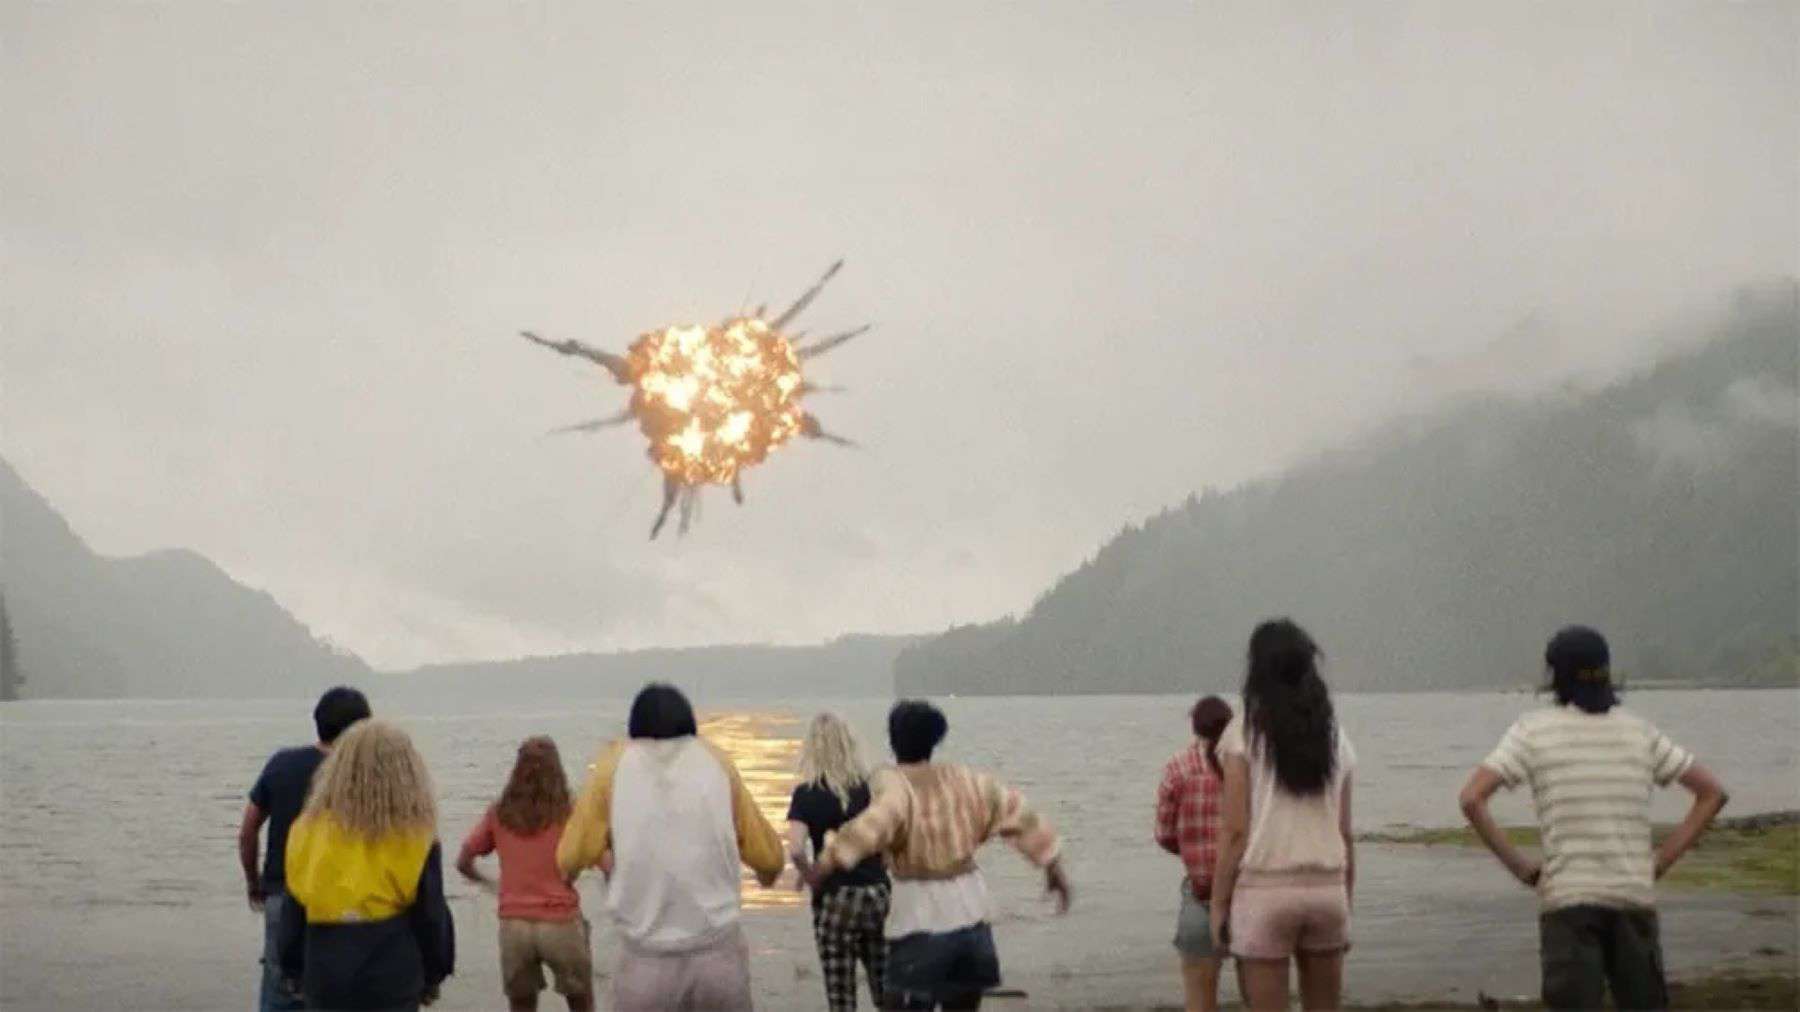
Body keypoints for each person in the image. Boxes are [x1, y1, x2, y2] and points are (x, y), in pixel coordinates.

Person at [1458, 625, 1729, 1011]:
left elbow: (1471, 799)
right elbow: (1712, 793)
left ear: (1556, 676)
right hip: (1632, 897)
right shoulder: (1639, 732)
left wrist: (1522, 868)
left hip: (1568, 901)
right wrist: (1661, 861)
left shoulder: (1531, 732)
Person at [808, 699, 1072, 1012]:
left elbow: (875, 824)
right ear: (935, 741)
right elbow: (1018, 813)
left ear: (893, 741)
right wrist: (1052, 866)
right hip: (974, 922)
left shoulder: (894, 784)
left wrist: (827, 862)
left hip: (921, 923)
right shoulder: (966, 780)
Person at [556, 683, 785, 1012]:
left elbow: (568, 856)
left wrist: (596, 857)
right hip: (718, 957)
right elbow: (769, 857)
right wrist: (766, 875)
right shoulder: (716, 761)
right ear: (690, 724)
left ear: (635, 728)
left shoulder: (612, 766)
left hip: (646, 962)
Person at [1210, 619, 1355, 1012]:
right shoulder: (1334, 736)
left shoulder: (1243, 732)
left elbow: (1236, 831)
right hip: (1329, 890)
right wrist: (1347, 901)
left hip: (1265, 892)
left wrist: (1219, 905)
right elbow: (1344, 831)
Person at [277, 719, 455, 1011]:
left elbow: (293, 908)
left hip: (325, 964)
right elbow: (430, 915)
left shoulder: (306, 829)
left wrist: (292, 969)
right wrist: (434, 973)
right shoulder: (415, 834)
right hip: (391, 965)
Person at [239, 685, 371, 1011]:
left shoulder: (282, 764)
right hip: (345, 901)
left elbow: (248, 831)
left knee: (279, 990)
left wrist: (254, 882)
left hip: (282, 894)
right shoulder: (365, 776)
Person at [458, 736, 593, 1012]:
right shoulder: (570, 812)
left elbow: (464, 861)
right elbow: (600, 858)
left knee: (521, 1006)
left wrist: (491, 884)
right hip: (560, 922)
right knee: (582, 1004)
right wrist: (572, 875)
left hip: (515, 924)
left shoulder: (499, 813)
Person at [786, 712, 891, 1011]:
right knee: (886, 990)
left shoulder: (806, 794)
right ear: (849, 745)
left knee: (841, 997)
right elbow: (888, 841)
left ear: (811, 749)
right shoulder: (868, 790)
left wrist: (810, 875)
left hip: (836, 899)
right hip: (876, 895)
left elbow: (795, 849)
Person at [1156, 695, 1235, 1012]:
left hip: (1201, 894)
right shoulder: (1248, 764)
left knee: (1199, 1001)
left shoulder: (1178, 766)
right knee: (1262, 997)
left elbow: (1164, 835)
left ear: (1195, 727)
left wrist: (1192, 849)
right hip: (1247, 893)